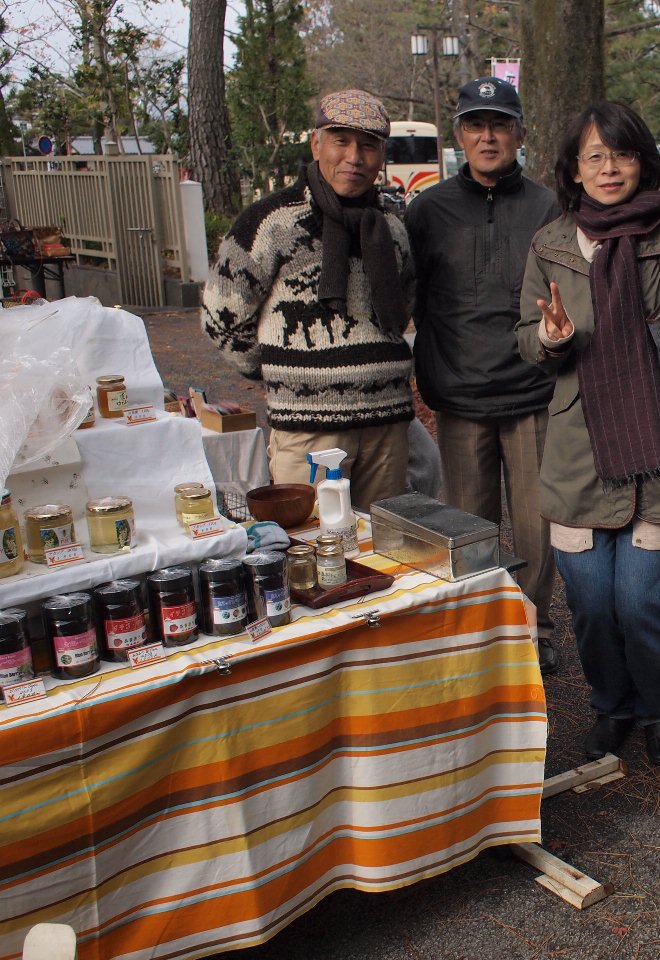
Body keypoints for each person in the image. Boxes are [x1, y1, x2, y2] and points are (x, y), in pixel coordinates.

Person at [517, 102, 660, 767]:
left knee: (641, 603)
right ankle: (612, 706)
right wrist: (550, 338)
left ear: (644, 162)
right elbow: (525, 339)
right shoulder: (551, 243)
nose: (609, 168)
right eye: (594, 156)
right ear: (574, 169)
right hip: (578, 454)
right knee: (592, 607)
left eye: (621, 154)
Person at [407, 77, 562, 673]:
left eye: (500, 124)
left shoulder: (548, 208)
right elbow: (413, 298)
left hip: (533, 391)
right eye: (476, 124)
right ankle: (479, 631)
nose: (488, 136)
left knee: (538, 528)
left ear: (520, 133)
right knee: (469, 527)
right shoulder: (428, 211)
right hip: (461, 396)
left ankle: (534, 626)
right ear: (460, 134)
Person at [203, 89, 414, 511]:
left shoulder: (391, 226)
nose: (354, 157)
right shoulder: (270, 221)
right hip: (308, 429)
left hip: (386, 426)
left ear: (381, 156)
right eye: (341, 141)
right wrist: (279, 372)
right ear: (316, 144)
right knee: (312, 541)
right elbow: (221, 316)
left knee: (386, 543)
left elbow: (403, 303)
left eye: (368, 145)